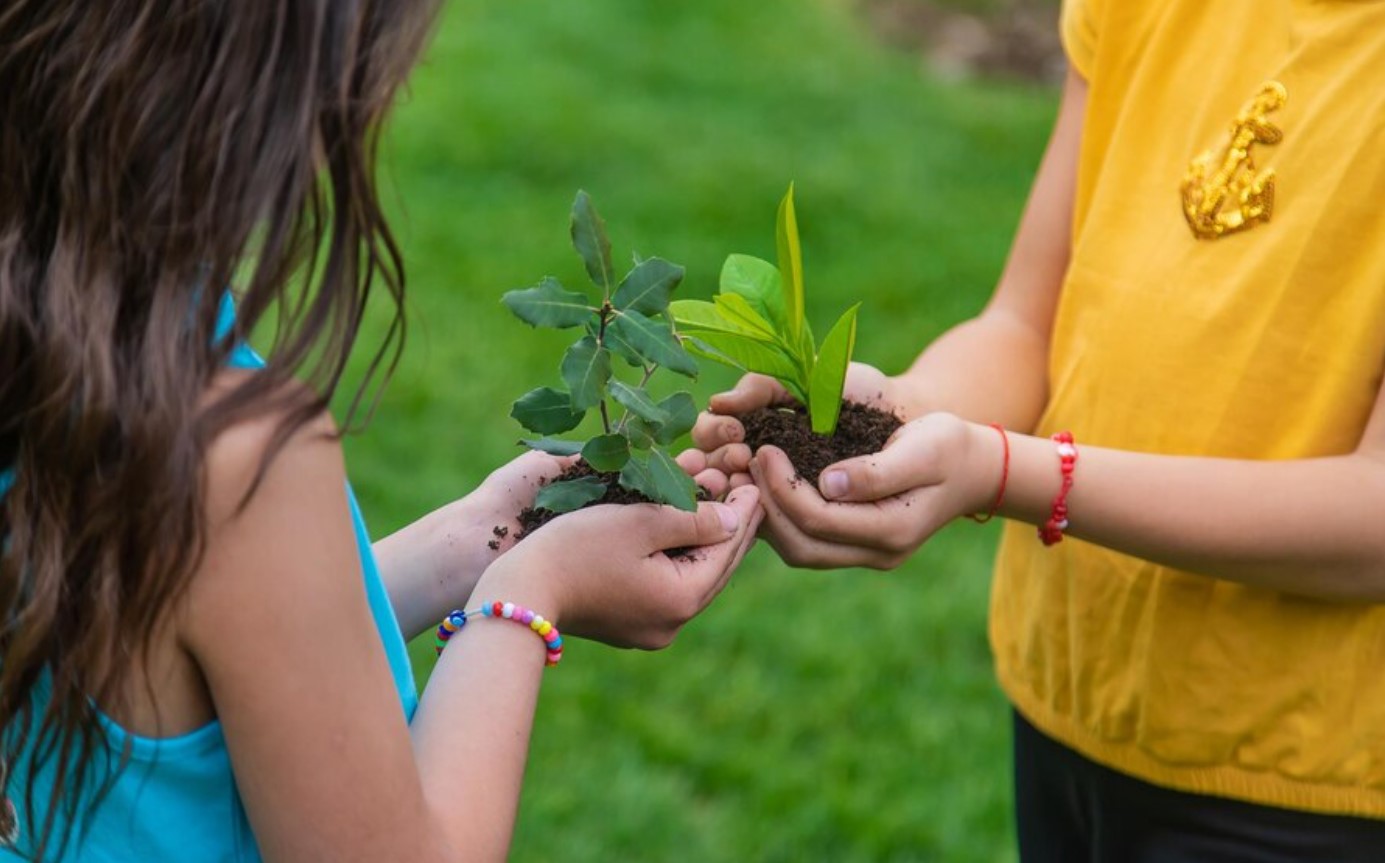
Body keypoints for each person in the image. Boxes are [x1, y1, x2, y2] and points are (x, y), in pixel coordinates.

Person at [0, 2, 761, 861]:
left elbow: (218, 639)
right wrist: (531, 591)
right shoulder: (228, 453)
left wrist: (466, 542)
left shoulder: (55, 327)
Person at [694, 0, 1385, 859]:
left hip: (1310, 780)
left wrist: (1009, 473)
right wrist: (896, 411)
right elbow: (1026, 325)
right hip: (1066, 693)